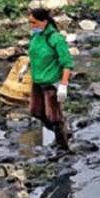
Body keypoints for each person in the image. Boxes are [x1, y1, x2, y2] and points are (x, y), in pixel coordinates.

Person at [25, 8, 73, 151]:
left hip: (51, 83)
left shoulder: (55, 38)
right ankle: (64, 131)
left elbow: (67, 63)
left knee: (53, 117)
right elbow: (34, 54)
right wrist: (26, 66)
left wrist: (63, 85)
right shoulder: (35, 36)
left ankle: (63, 148)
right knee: (36, 111)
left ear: (44, 21)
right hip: (37, 80)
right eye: (30, 23)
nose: (32, 26)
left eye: (34, 22)